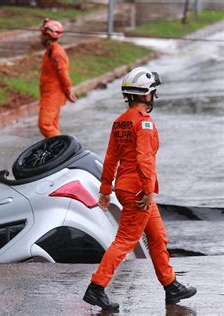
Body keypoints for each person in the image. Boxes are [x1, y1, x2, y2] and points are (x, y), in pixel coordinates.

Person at [82, 67, 197, 310]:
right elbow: (145, 158)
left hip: (127, 187)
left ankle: (170, 285)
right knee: (125, 240)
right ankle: (96, 287)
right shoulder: (143, 123)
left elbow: (111, 157)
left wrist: (105, 189)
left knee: (157, 237)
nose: (153, 96)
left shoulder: (120, 122)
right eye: (153, 92)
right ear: (145, 95)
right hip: (138, 191)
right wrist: (147, 191)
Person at [38, 18, 76, 138]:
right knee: (53, 124)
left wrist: (68, 90)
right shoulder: (50, 50)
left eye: (42, 34)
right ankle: (58, 152)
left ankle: (62, 149)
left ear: (47, 36)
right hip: (49, 93)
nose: (40, 37)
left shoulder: (56, 53)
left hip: (53, 94)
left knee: (45, 124)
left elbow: (63, 74)